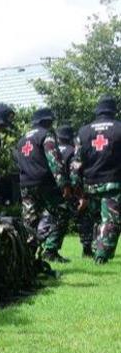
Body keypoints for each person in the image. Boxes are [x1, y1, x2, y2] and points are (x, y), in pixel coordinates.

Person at [13, 108, 72, 263]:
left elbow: (18, 162)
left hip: (26, 184)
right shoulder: (46, 135)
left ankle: (27, 257)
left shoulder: (21, 140)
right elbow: (54, 160)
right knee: (62, 212)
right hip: (44, 184)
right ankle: (51, 251)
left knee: (29, 221)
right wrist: (64, 184)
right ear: (46, 121)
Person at [72, 96, 120, 264]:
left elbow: (76, 162)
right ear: (113, 110)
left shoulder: (83, 131)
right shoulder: (119, 128)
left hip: (90, 184)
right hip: (113, 183)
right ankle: (101, 257)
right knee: (110, 221)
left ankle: (94, 250)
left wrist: (76, 186)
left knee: (95, 221)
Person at [54, 125, 94, 257]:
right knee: (84, 219)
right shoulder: (73, 151)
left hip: (54, 192)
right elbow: (75, 174)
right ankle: (87, 249)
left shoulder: (52, 150)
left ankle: (51, 250)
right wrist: (81, 195)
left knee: (58, 222)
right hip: (71, 192)